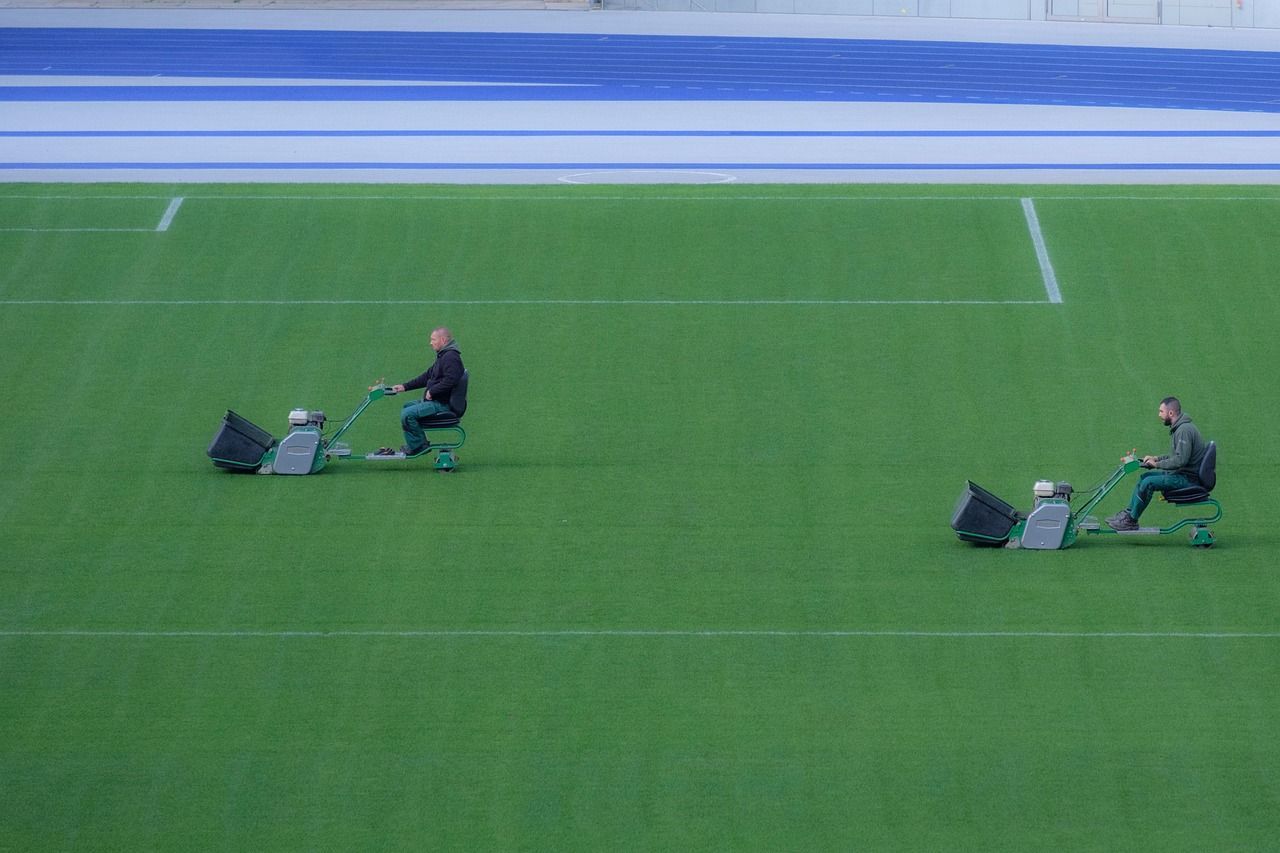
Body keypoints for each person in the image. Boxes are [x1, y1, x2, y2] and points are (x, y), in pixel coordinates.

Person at [1106, 396, 1208, 531]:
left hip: (1187, 479)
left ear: (1170, 413)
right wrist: (1155, 459)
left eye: (1161, 411)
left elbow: (1180, 460)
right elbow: (1175, 456)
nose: (1159, 415)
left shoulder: (1184, 431)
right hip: (1182, 474)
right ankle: (1128, 514)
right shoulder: (1180, 428)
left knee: (1148, 483)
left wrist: (1157, 464)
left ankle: (1131, 521)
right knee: (1145, 477)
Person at [376, 327, 464, 457]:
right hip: (437, 400)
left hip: (442, 404)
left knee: (407, 414)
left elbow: (451, 380)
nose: (430, 342)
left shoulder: (451, 357)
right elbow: (428, 376)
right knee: (407, 407)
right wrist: (404, 387)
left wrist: (433, 391)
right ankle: (418, 443)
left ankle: (419, 445)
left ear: (443, 340)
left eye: (433, 339)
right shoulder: (444, 355)